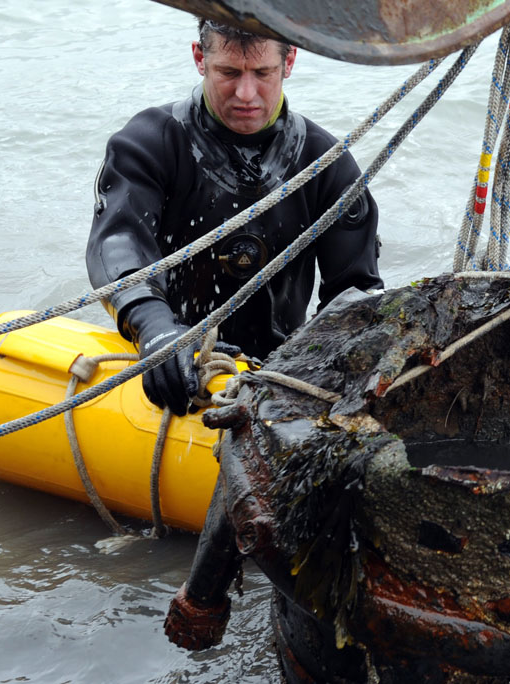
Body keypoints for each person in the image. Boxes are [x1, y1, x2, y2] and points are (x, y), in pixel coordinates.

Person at [85, 19, 382, 416]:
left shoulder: (326, 164)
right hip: (166, 352)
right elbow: (116, 243)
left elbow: (356, 291)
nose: (246, 93)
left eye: (263, 73)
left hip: (276, 373)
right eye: (228, 72)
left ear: (289, 61)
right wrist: (153, 327)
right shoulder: (149, 143)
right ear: (199, 58)